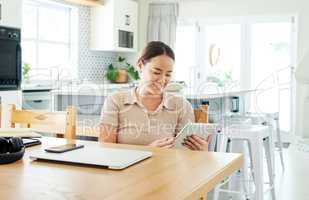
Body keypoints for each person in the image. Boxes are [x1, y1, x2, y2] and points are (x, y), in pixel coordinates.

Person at [99, 41, 209, 151]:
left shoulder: (181, 105)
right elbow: (106, 150)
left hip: (167, 167)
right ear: (141, 65)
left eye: (168, 74)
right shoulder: (115, 101)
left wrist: (200, 151)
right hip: (127, 168)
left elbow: (186, 154)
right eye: (156, 72)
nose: (162, 80)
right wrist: (148, 151)